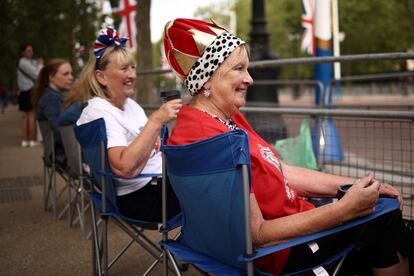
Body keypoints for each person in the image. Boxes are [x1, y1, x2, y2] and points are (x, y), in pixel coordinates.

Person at [163, 18, 409, 275]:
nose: (250, 79)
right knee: (387, 216)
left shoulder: (212, 122)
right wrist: (345, 208)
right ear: (206, 80)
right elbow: (256, 235)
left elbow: (282, 170)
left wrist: (352, 186)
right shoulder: (214, 141)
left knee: (386, 218)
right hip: (283, 250)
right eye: (239, 69)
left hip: (288, 227)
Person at [76, 27, 181, 222]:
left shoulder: (130, 105)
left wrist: (149, 138)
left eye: (132, 67)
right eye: (124, 69)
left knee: (217, 171)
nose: (132, 75)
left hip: (159, 183)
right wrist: (156, 121)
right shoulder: (97, 113)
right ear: (102, 77)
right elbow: (125, 168)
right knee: (214, 184)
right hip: (140, 198)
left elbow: (142, 146)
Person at [32, 58, 74, 164]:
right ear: (51, 77)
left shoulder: (54, 96)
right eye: (66, 74)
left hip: (63, 151)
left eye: (71, 74)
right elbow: (61, 131)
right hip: (61, 154)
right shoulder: (51, 98)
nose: (71, 78)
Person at [17, 44, 43, 147]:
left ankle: (25, 140)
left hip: (25, 91)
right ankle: (31, 140)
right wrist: (40, 65)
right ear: (23, 52)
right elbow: (37, 75)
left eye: (31, 50)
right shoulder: (24, 63)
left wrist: (36, 63)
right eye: (28, 51)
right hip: (29, 91)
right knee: (31, 116)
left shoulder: (25, 62)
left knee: (26, 116)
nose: (30, 52)